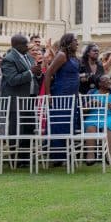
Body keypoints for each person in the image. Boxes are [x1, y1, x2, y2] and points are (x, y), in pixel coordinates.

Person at [1, 35, 43, 164]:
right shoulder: (8, 59)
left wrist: (38, 73)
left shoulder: (29, 57)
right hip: (15, 99)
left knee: (29, 127)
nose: (28, 46)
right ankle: (15, 159)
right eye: (25, 44)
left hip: (30, 98)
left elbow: (34, 75)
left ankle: (26, 157)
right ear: (16, 45)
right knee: (15, 129)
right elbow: (12, 80)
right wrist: (31, 72)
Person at [44, 33, 81, 164]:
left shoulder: (72, 57)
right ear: (68, 42)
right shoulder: (61, 55)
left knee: (69, 123)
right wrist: (48, 94)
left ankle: (66, 154)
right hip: (62, 94)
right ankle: (57, 156)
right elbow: (48, 73)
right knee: (60, 123)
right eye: (75, 41)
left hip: (72, 95)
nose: (77, 43)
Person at [83, 75, 111, 165]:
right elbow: (83, 109)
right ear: (99, 83)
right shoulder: (92, 93)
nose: (109, 82)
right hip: (93, 115)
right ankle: (90, 155)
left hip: (109, 116)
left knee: (109, 125)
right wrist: (89, 104)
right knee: (90, 126)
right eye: (106, 80)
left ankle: (110, 155)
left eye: (109, 80)